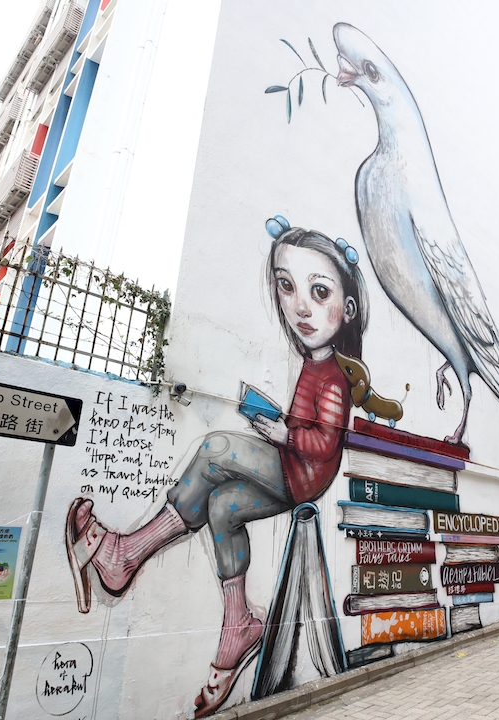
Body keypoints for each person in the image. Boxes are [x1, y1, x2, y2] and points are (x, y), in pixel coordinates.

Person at [65, 216, 368, 717]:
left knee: (214, 449)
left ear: (347, 308)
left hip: (303, 473)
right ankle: (237, 628)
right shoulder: (313, 364)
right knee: (223, 507)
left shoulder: (333, 376)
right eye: (287, 287)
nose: (300, 306)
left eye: (319, 292)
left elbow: (325, 443)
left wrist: (284, 434)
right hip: (295, 466)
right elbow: (310, 427)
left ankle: (127, 553)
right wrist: (279, 420)